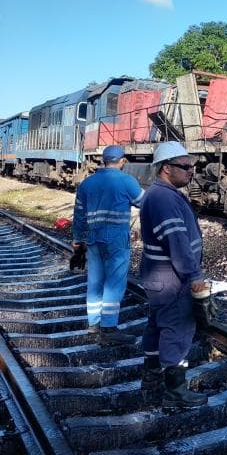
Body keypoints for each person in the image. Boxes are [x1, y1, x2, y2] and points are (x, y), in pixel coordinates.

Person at [139, 141, 215, 408]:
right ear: (166, 169)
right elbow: (177, 241)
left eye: (191, 166)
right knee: (178, 329)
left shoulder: (161, 194)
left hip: (158, 276)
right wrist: (194, 276)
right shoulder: (164, 198)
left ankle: (151, 378)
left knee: (157, 324)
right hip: (172, 278)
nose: (190, 171)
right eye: (184, 167)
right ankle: (175, 391)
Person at [72, 145, 144, 345]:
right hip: (116, 239)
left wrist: (77, 239)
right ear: (122, 160)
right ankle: (109, 329)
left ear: (103, 161)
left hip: (93, 239)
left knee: (95, 282)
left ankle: (93, 324)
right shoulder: (127, 181)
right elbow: (144, 202)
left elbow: (78, 215)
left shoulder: (87, 184)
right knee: (114, 283)